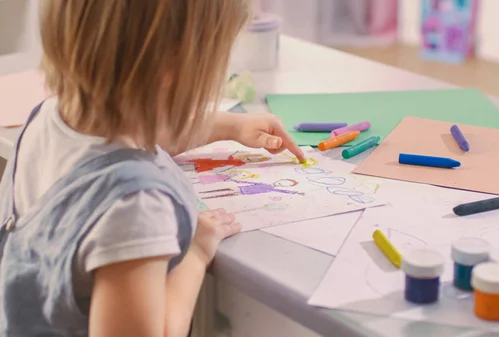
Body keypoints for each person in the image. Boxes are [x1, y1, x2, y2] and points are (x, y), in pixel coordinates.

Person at [0, 1, 304, 336]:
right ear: (172, 68)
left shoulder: (50, 117)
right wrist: (196, 252)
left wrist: (230, 127)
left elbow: (143, 131)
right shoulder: (134, 206)